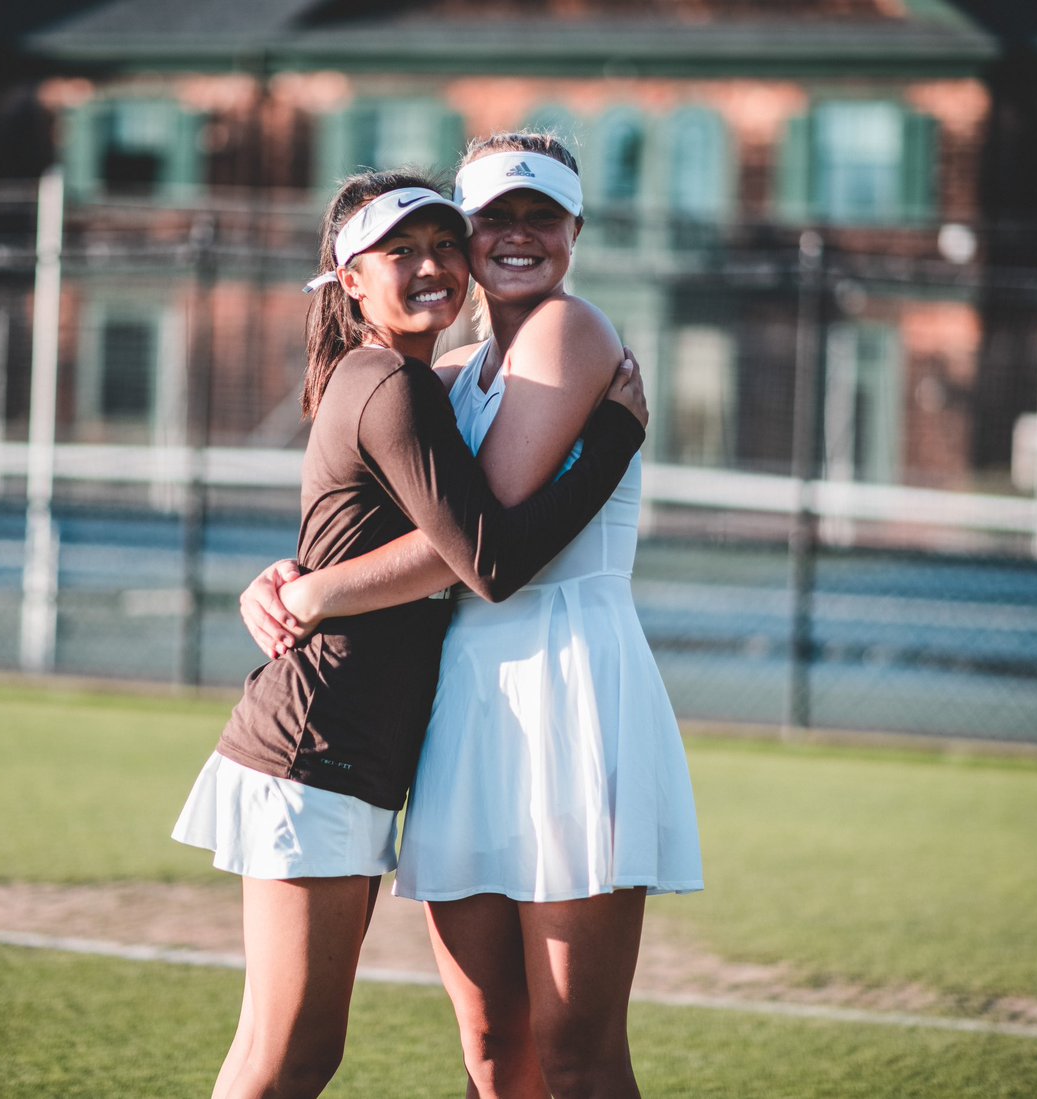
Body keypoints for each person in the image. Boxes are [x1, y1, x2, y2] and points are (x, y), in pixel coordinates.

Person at [242, 133, 703, 1099]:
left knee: (576, 1053)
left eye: (544, 216)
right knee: (493, 1043)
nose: (519, 235)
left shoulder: (570, 332)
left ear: (576, 229)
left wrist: (318, 593)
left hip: (571, 687)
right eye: (496, 216)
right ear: (466, 229)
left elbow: (480, 551)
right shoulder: (448, 377)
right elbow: (386, 520)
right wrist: (285, 576)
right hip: (466, 705)